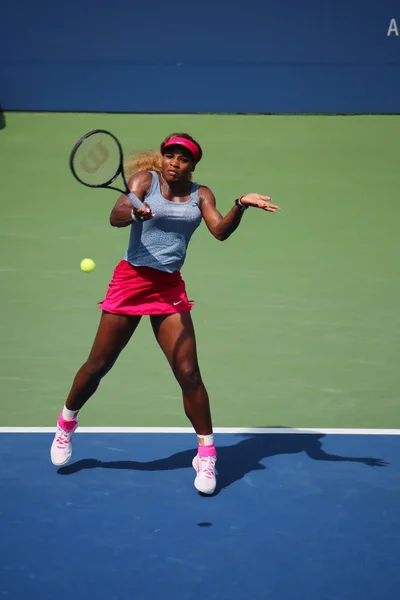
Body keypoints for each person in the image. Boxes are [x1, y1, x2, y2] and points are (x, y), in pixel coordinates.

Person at [50, 132, 280, 494]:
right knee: (98, 365)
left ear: (193, 165)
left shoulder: (202, 194)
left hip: (169, 287)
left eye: (183, 158)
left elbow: (219, 231)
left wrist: (241, 204)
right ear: (163, 158)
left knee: (189, 373)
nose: (175, 162)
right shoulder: (145, 180)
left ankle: (206, 454)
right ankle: (66, 423)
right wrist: (133, 210)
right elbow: (115, 216)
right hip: (131, 280)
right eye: (170, 155)